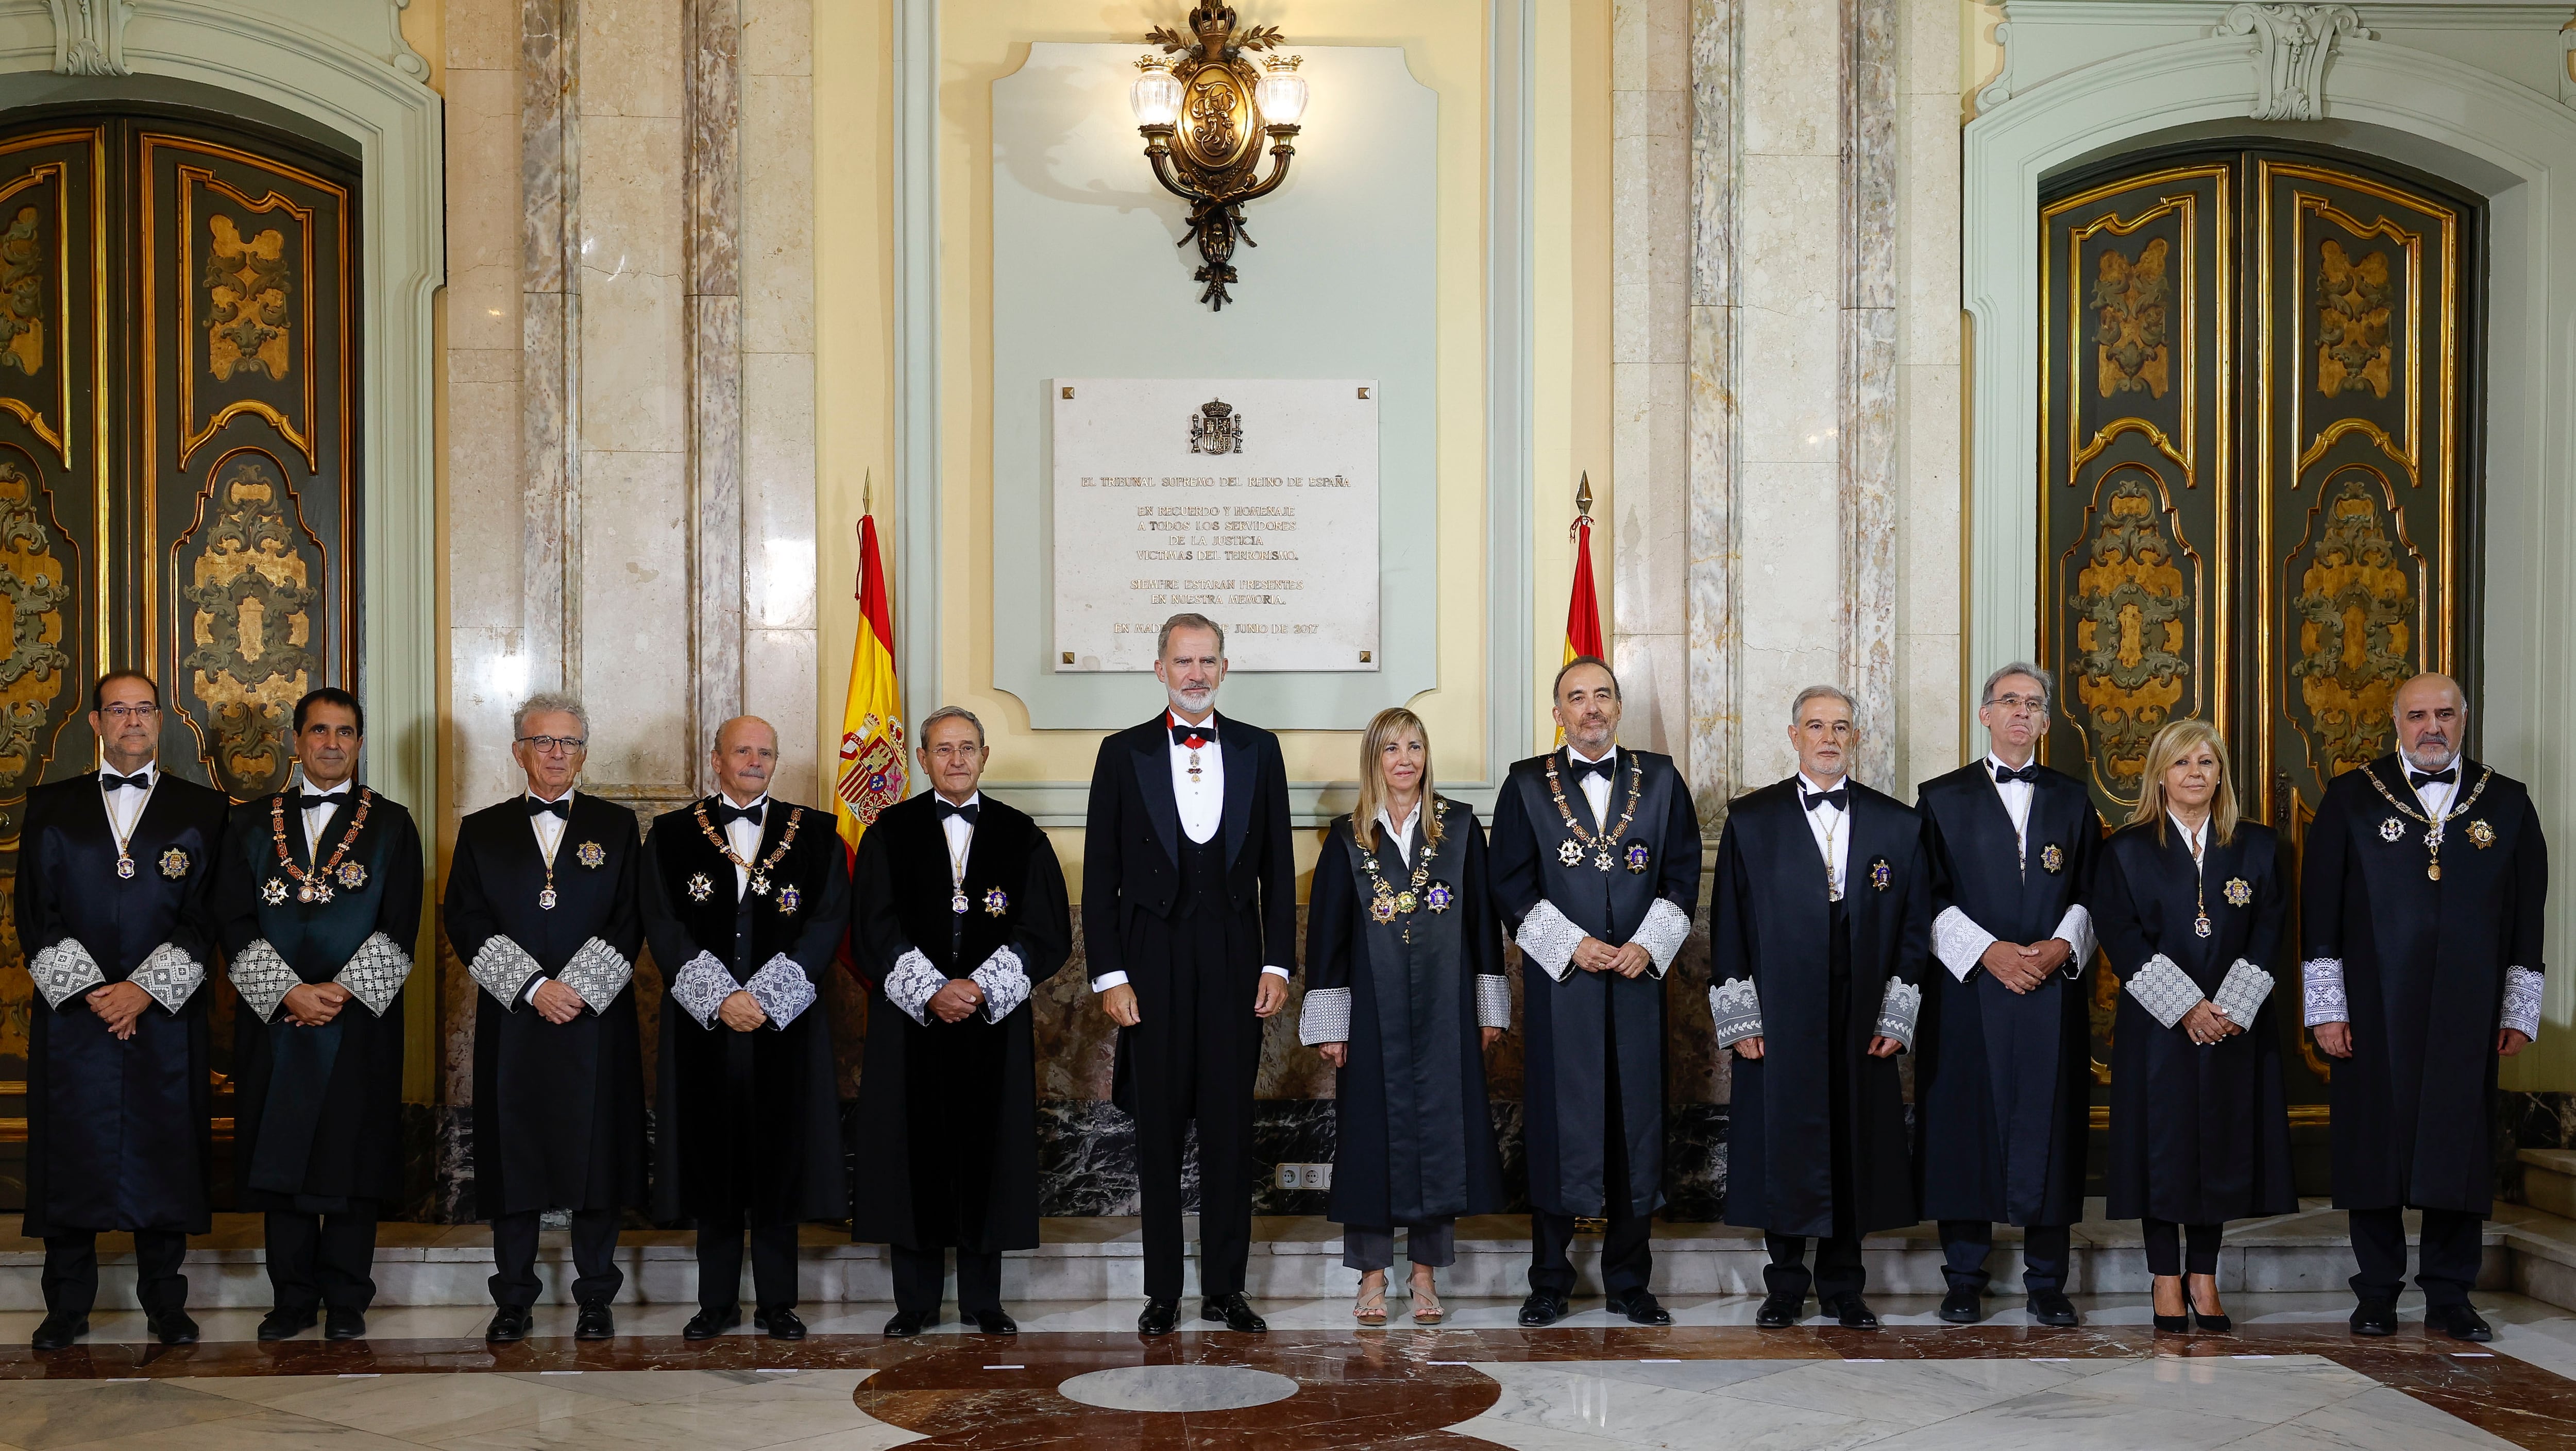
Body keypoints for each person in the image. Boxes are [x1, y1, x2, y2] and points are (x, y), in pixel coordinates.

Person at [2304, 672, 2547, 1342]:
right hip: (2373, 1007)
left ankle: (2450, 1293)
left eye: (2445, 713)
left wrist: (2519, 1007)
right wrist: (2327, 1007)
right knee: (2373, 1147)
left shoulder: (2507, 802)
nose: (2431, 727)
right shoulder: (2352, 798)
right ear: (2397, 722)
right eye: (2418, 715)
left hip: (2470, 1012)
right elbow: (2319, 911)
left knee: (2458, 1146)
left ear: (2464, 720)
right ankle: (2377, 1291)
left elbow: (2530, 916)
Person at [1083, 613, 1296, 1335]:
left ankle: (1227, 1290)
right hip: (1152, 964)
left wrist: (1277, 962)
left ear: (1224, 669)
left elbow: (1279, 865)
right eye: (1183, 661)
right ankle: (1164, 1292)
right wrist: (1111, 975)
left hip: (1238, 962)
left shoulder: (1259, 750)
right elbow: (1100, 877)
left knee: (1232, 1134)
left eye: (1207, 660)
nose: (1196, 673)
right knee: (1159, 1137)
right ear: (1160, 668)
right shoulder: (1121, 753)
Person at [15, 672, 229, 1350]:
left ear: (161, 721)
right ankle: (67, 1306)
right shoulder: (51, 805)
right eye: (118, 710)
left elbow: (208, 917)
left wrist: (144, 989)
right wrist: (96, 993)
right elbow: (33, 914)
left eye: (143, 709)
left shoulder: (204, 810)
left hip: (165, 1015)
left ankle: (167, 1302)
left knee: (163, 1152)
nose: (131, 720)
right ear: (97, 723)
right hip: (74, 1019)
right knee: (71, 1153)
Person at [1489, 656, 1702, 1327]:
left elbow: (1681, 876)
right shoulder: (1526, 784)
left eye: (1602, 695)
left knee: (1635, 1126)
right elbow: (1511, 885)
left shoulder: (1662, 780)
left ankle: (1629, 1281)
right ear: (1558, 713)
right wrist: (1571, 945)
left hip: (1640, 983)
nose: (1591, 708)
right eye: (1576, 698)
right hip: (1565, 986)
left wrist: (1648, 946)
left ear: (1618, 706)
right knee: (1560, 1124)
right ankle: (1549, 1279)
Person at [1709, 685, 1929, 1330]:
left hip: (1862, 1006)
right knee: (1784, 1140)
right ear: (1793, 735)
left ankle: (1844, 1288)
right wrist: (1740, 1017)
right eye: (1814, 726)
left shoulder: (1898, 823)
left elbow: (1915, 928)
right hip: (1779, 1006)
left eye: (1839, 726)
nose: (1827, 737)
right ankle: (1783, 1287)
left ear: (1854, 738)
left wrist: (1898, 1013)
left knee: (1852, 1139)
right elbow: (1728, 925)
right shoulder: (1751, 820)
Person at [850, 706, 1071, 1337]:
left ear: (984, 756)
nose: (955, 760)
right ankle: (913, 1304)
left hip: (990, 1026)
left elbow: (1045, 927)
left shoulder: (1020, 834)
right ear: (922, 759)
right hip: (909, 1024)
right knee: (909, 1151)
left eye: (966, 748)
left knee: (987, 1152)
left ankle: (983, 1301)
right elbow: (872, 926)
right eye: (942, 749)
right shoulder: (888, 831)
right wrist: (930, 991)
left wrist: (976, 989)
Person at [215, 687, 425, 1342]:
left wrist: (336, 995)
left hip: (358, 1023)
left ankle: (347, 1301)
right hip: (275, 1025)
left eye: (345, 732)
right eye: (318, 731)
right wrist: (286, 992)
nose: (331, 743)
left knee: (351, 1163)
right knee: (283, 1163)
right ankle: (292, 1300)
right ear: (296, 740)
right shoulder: (249, 823)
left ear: (360, 743)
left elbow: (402, 924)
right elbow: (232, 917)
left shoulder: (393, 824)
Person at [443, 692, 646, 1344]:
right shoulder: (481, 829)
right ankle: (514, 1299)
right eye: (543, 741)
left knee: (597, 1161)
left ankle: (595, 1297)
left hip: (595, 1019)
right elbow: (464, 919)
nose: (556, 753)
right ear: (518, 750)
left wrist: (579, 988)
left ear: (584, 752)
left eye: (568, 743)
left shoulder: (617, 827)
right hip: (516, 1021)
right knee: (515, 1159)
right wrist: (533, 988)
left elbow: (631, 916)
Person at [1301, 707, 1510, 1326]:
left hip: (1445, 1012)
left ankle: (1423, 1274)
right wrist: (1330, 1023)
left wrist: (1486, 1007)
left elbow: (1482, 926)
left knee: (1438, 1137)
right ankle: (1371, 1272)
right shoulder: (1346, 836)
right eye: (1391, 748)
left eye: (1415, 746)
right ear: (1374, 759)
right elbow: (1327, 937)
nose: (1404, 759)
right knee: (1368, 1140)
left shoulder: (1461, 828)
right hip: (1369, 1015)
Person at [643, 715, 849, 1341]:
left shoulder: (815, 833)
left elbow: (827, 921)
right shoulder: (672, 835)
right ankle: (716, 1304)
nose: (755, 761)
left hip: (785, 1027)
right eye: (742, 751)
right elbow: (661, 922)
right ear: (716, 759)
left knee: (779, 1158)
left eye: (766, 751)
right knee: (713, 1156)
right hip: (703, 1026)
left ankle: (778, 1303)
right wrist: (719, 996)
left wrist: (764, 996)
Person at [1912, 663, 2102, 1326]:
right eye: (2008, 702)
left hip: (2051, 992)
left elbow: (2093, 891)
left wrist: (2059, 946)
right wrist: (1987, 953)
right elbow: (1925, 897)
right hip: (1969, 993)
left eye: (2033, 705)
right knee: (1963, 1127)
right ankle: (1963, 1277)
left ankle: (2047, 1281)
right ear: (1984, 715)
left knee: (2050, 1129)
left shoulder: (2073, 799)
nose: (2020, 713)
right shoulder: (1938, 798)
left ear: (2046, 723)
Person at [2094, 719, 2294, 1333]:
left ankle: (2202, 1275)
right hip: (2158, 1028)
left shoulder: (2258, 847)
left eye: (2206, 763)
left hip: (2235, 1024)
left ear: (2220, 775)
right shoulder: (2125, 850)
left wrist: (2228, 1008)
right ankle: (2163, 1276)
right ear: (2160, 773)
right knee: (2165, 1147)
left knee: (2220, 1145)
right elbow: (2120, 937)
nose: (2194, 775)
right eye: (2182, 764)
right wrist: (2185, 1007)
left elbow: (2270, 931)